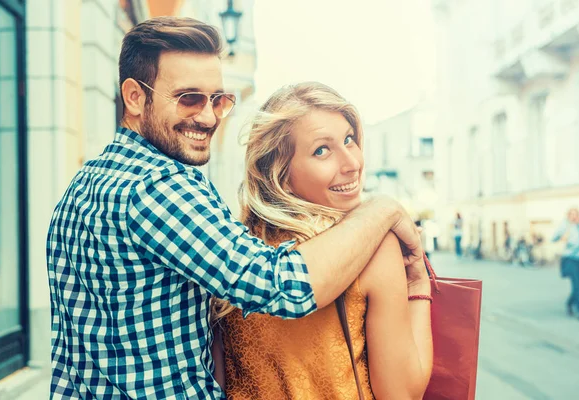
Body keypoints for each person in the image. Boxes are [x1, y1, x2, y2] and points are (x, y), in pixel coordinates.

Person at [45, 17, 423, 399]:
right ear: (135, 97)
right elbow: (280, 286)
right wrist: (383, 210)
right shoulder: (159, 187)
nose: (208, 117)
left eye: (218, 100)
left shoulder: (85, 183)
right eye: (188, 98)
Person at [214, 82, 433, 399]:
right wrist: (417, 286)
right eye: (322, 150)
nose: (352, 163)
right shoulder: (372, 247)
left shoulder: (232, 250)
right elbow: (403, 394)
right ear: (279, 172)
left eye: (349, 140)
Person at [552, 208, 579, 320]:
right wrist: (562, 235)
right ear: (568, 216)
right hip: (571, 259)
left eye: (576, 214)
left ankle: (570, 303)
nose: (574, 217)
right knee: (576, 283)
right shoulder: (565, 226)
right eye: (571, 215)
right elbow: (553, 238)